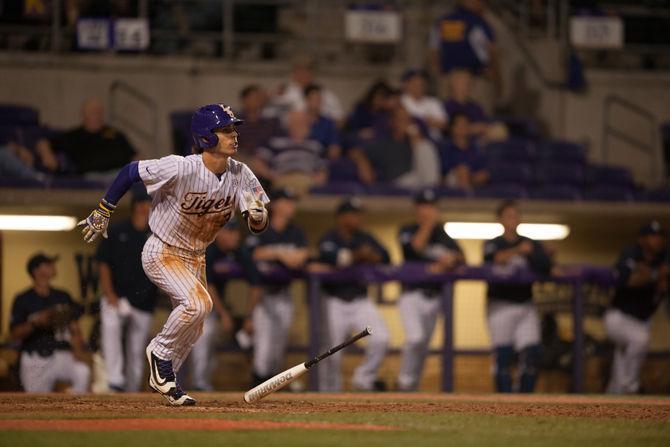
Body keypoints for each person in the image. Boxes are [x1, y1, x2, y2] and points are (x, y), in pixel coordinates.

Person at [76, 103, 270, 406]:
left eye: (233, 129)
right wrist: (104, 209)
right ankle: (160, 353)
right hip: (163, 250)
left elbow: (257, 225)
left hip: (196, 256)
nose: (234, 135)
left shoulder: (241, 174)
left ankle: (167, 381)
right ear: (206, 137)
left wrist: (258, 216)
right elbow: (131, 171)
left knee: (197, 324)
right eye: (226, 130)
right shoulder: (181, 166)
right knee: (198, 304)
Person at [315, 197, 390, 391]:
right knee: (331, 351)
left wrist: (371, 256)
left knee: (381, 338)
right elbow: (332, 257)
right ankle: (328, 393)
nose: (356, 218)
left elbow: (386, 257)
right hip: (334, 301)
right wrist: (358, 255)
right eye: (352, 214)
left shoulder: (365, 237)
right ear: (341, 217)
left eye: (359, 214)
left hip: (360, 300)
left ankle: (363, 379)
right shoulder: (329, 237)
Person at [396, 189, 464, 391]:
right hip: (411, 295)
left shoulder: (443, 234)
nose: (429, 210)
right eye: (424, 206)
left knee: (423, 347)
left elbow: (462, 256)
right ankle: (404, 383)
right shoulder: (407, 229)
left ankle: (411, 389)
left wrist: (451, 260)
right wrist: (427, 224)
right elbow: (413, 248)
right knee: (415, 338)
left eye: (432, 206)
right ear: (417, 208)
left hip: (434, 298)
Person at [483, 200, 553, 393]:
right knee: (503, 354)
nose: (513, 219)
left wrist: (540, 253)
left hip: (525, 304)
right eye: (509, 215)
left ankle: (525, 398)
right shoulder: (493, 243)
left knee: (532, 351)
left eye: (516, 215)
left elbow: (545, 265)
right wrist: (517, 251)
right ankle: (505, 400)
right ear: (500, 219)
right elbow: (492, 258)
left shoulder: (530, 243)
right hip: (500, 305)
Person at [242, 187, 308, 385]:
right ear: (276, 204)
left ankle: (268, 393)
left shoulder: (295, 232)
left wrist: (291, 257)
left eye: (292, 202)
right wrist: (279, 254)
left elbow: (303, 254)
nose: (291, 206)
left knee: (278, 350)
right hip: (263, 296)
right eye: (287, 202)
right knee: (263, 349)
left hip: (284, 295)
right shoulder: (261, 227)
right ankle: (256, 389)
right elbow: (251, 253)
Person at [97, 189, 158, 392]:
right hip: (117, 297)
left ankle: (131, 390)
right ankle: (114, 379)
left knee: (136, 349)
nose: (146, 207)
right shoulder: (116, 230)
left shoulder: (158, 234)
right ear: (137, 205)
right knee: (110, 323)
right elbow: (103, 264)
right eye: (144, 203)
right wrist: (110, 294)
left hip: (144, 301)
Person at [605, 220, 670, 394]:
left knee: (623, 356)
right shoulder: (631, 253)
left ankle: (615, 394)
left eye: (659, 237)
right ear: (642, 239)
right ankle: (631, 386)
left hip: (643, 319)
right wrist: (657, 275)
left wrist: (652, 275)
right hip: (619, 316)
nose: (657, 240)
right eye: (652, 236)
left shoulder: (665, 256)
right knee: (639, 340)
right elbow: (630, 280)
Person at [10, 254, 90, 393]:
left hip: (62, 354)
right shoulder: (23, 299)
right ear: (36, 271)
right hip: (36, 357)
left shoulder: (62, 295)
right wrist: (36, 322)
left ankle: (74, 410)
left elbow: (74, 327)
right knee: (36, 402)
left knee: (82, 372)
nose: (53, 267)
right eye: (47, 264)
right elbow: (15, 333)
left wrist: (78, 349)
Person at [187, 219, 242, 391]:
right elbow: (207, 285)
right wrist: (224, 314)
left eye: (235, 232)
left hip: (210, 306)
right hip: (194, 301)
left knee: (209, 345)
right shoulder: (207, 249)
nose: (235, 236)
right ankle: (198, 383)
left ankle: (202, 383)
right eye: (229, 232)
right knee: (203, 338)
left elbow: (254, 278)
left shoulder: (236, 252)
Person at [429, 0, 501, 100]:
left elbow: (434, 51)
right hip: (475, 81)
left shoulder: (442, 21)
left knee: (447, 113)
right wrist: (497, 77)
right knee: (477, 113)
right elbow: (491, 51)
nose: (482, 4)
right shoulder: (477, 23)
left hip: (447, 79)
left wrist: (439, 74)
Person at [47, 98, 138, 176]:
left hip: (118, 174)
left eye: (99, 112)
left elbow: (134, 155)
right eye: (93, 112)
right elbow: (46, 142)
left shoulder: (115, 134)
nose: (97, 116)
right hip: (90, 177)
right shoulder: (74, 135)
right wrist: (46, 154)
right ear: (84, 114)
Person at [359, 107, 440, 189]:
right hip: (399, 182)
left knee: (426, 146)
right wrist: (363, 163)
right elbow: (356, 152)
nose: (405, 124)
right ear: (392, 122)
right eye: (401, 120)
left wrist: (414, 138)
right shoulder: (384, 143)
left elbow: (425, 163)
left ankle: (432, 190)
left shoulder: (414, 141)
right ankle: (431, 190)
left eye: (408, 120)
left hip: (418, 180)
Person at [252, 109, 328, 195]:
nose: (298, 125)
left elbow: (322, 170)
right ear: (288, 124)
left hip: (306, 179)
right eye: (295, 122)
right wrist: (271, 175)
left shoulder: (315, 145)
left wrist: (316, 180)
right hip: (282, 177)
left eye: (302, 122)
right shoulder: (276, 142)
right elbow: (258, 163)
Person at [270, 56, 344, 123]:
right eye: (299, 69)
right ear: (293, 72)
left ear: (312, 72)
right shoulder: (283, 92)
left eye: (307, 69)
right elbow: (271, 115)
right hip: (287, 133)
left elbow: (339, 119)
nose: (302, 73)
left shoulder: (325, 94)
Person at [440, 113, 489, 191]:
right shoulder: (447, 147)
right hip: (451, 179)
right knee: (462, 171)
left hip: (473, 180)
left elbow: (483, 170)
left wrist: (472, 176)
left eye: (466, 125)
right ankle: (466, 199)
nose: (463, 128)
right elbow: (444, 170)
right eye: (460, 125)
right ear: (452, 128)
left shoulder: (475, 148)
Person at [235, 84, 282, 161]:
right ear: (244, 100)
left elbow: (277, 142)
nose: (257, 101)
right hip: (241, 158)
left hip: (266, 157)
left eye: (260, 98)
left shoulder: (271, 122)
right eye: (254, 98)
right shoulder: (234, 122)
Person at [400, 69, 448, 141]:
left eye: (421, 82)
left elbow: (444, 124)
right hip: (409, 140)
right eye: (414, 82)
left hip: (434, 140)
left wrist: (430, 122)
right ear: (406, 84)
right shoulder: (401, 101)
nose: (418, 85)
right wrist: (425, 122)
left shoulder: (433, 102)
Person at [303, 83, 341, 160]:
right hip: (300, 159)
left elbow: (334, 147)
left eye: (319, 99)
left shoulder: (328, 123)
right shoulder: (297, 120)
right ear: (306, 100)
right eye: (314, 99)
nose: (318, 102)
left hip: (321, 161)